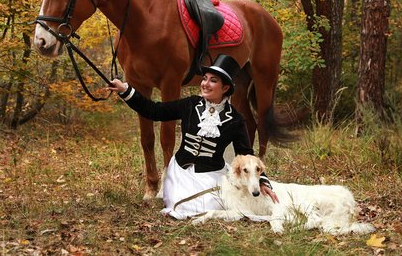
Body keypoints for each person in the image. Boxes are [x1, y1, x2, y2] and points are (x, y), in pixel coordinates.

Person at [108, 54, 278, 219]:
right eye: (205, 78)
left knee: (212, 205)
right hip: (180, 172)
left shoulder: (235, 119)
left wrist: (262, 181)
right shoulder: (190, 104)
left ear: (225, 88)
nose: (205, 84)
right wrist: (125, 90)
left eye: (213, 80)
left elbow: (246, 155)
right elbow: (154, 110)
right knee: (181, 205)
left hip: (212, 176)